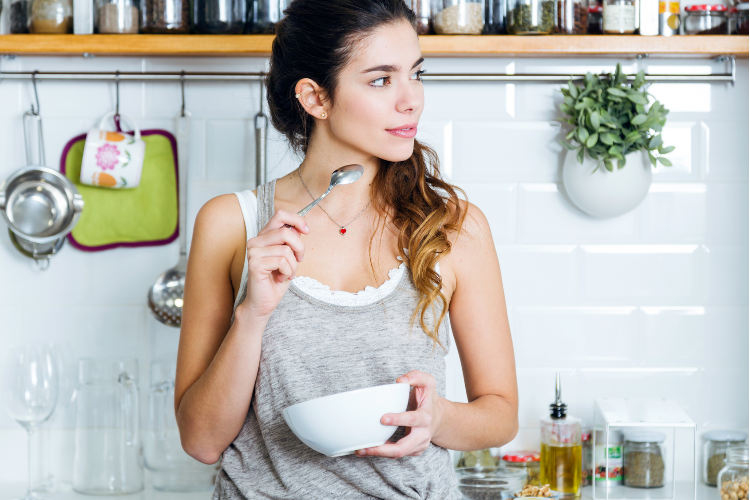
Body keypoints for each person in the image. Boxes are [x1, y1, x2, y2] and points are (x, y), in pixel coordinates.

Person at [174, 0, 518, 498]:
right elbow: (201, 441)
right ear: (316, 97)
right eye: (381, 80)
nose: (412, 100)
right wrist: (252, 314)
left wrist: (437, 418)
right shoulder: (232, 224)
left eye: (416, 74)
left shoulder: (453, 228)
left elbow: (501, 412)